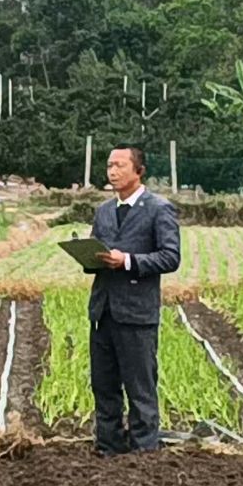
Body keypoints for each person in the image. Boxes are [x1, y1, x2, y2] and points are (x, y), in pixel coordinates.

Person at [83, 145, 181, 455]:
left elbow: (170, 257)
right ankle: (108, 446)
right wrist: (89, 257)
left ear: (139, 171)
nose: (112, 172)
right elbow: (97, 251)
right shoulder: (104, 211)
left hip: (137, 313)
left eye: (120, 165)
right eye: (109, 166)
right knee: (104, 386)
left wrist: (127, 261)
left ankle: (143, 452)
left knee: (140, 388)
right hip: (103, 311)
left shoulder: (158, 208)